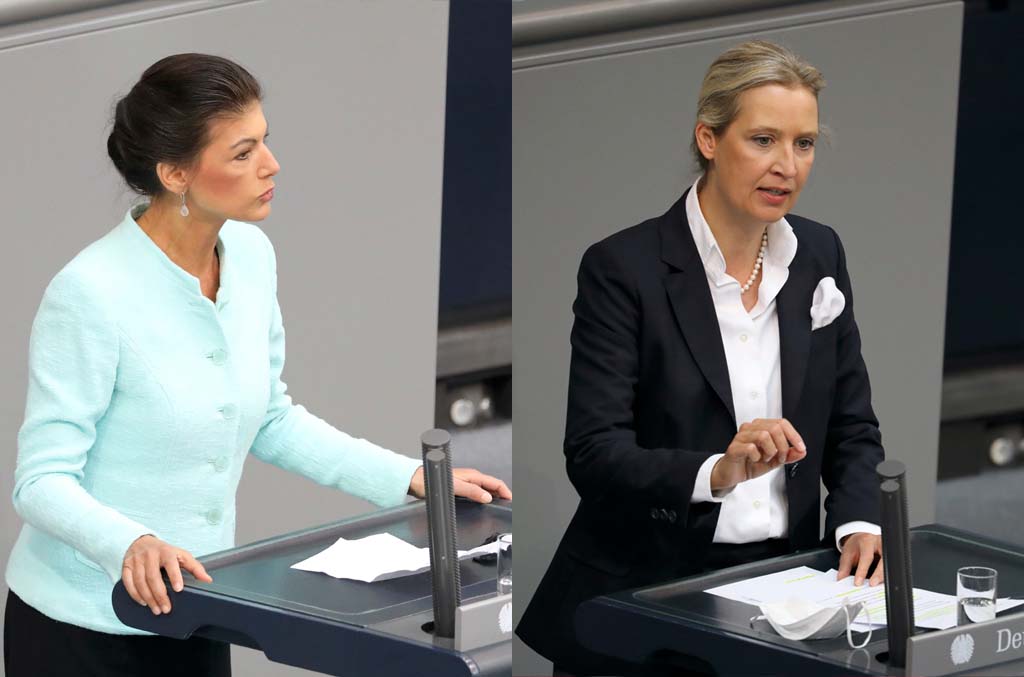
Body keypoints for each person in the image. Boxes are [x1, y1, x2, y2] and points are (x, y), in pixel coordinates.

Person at [3, 53, 511, 677]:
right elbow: (40, 481)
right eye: (242, 154)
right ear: (175, 173)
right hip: (81, 628)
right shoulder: (89, 293)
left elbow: (271, 417)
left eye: (265, 142)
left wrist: (408, 477)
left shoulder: (249, 254)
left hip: (197, 606)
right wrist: (129, 543)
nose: (271, 166)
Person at [516, 40, 884, 676]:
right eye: (764, 139)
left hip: (785, 589)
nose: (787, 167)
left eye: (804, 143)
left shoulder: (820, 255)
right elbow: (596, 455)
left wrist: (857, 521)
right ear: (709, 140)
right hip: (648, 596)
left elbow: (853, 425)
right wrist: (717, 470)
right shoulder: (622, 268)